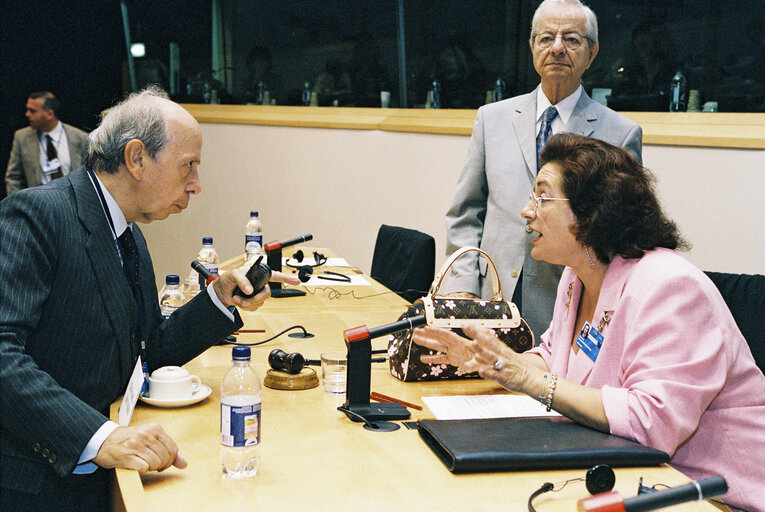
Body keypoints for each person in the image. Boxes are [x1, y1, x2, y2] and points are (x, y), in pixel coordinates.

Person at [415, 133, 765, 512]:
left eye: (542, 197)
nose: (526, 211)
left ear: (592, 210)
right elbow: (554, 357)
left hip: (714, 493)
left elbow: (652, 424)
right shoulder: (577, 276)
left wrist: (525, 377)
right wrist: (494, 363)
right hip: (633, 472)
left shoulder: (671, 287)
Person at [0, 87, 300, 511]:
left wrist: (217, 298)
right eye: (188, 167)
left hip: (107, 470)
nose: (196, 185)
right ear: (137, 158)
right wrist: (101, 437)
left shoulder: (129, 232)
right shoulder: (36, 214)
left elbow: (145, 353)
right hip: (41, 485)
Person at [443, 0, 642, 339]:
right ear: (532, 47)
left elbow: (624, 233)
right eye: (546, 37)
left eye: (572, 39)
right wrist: (463, 288)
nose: (557, 48)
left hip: (569, 306)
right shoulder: (492, 119)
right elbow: (466, 213)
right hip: (493, 297)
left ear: (592, 53)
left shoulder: (620, 134)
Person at [5, 91, 89, 195]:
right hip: (38, 206)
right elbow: (13, 178)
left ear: (49, 114)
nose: (27, 114)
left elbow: (89, 176)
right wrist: (18, 206)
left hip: (72, 204)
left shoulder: (79, 137)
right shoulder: (22, 138)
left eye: (32, 111)